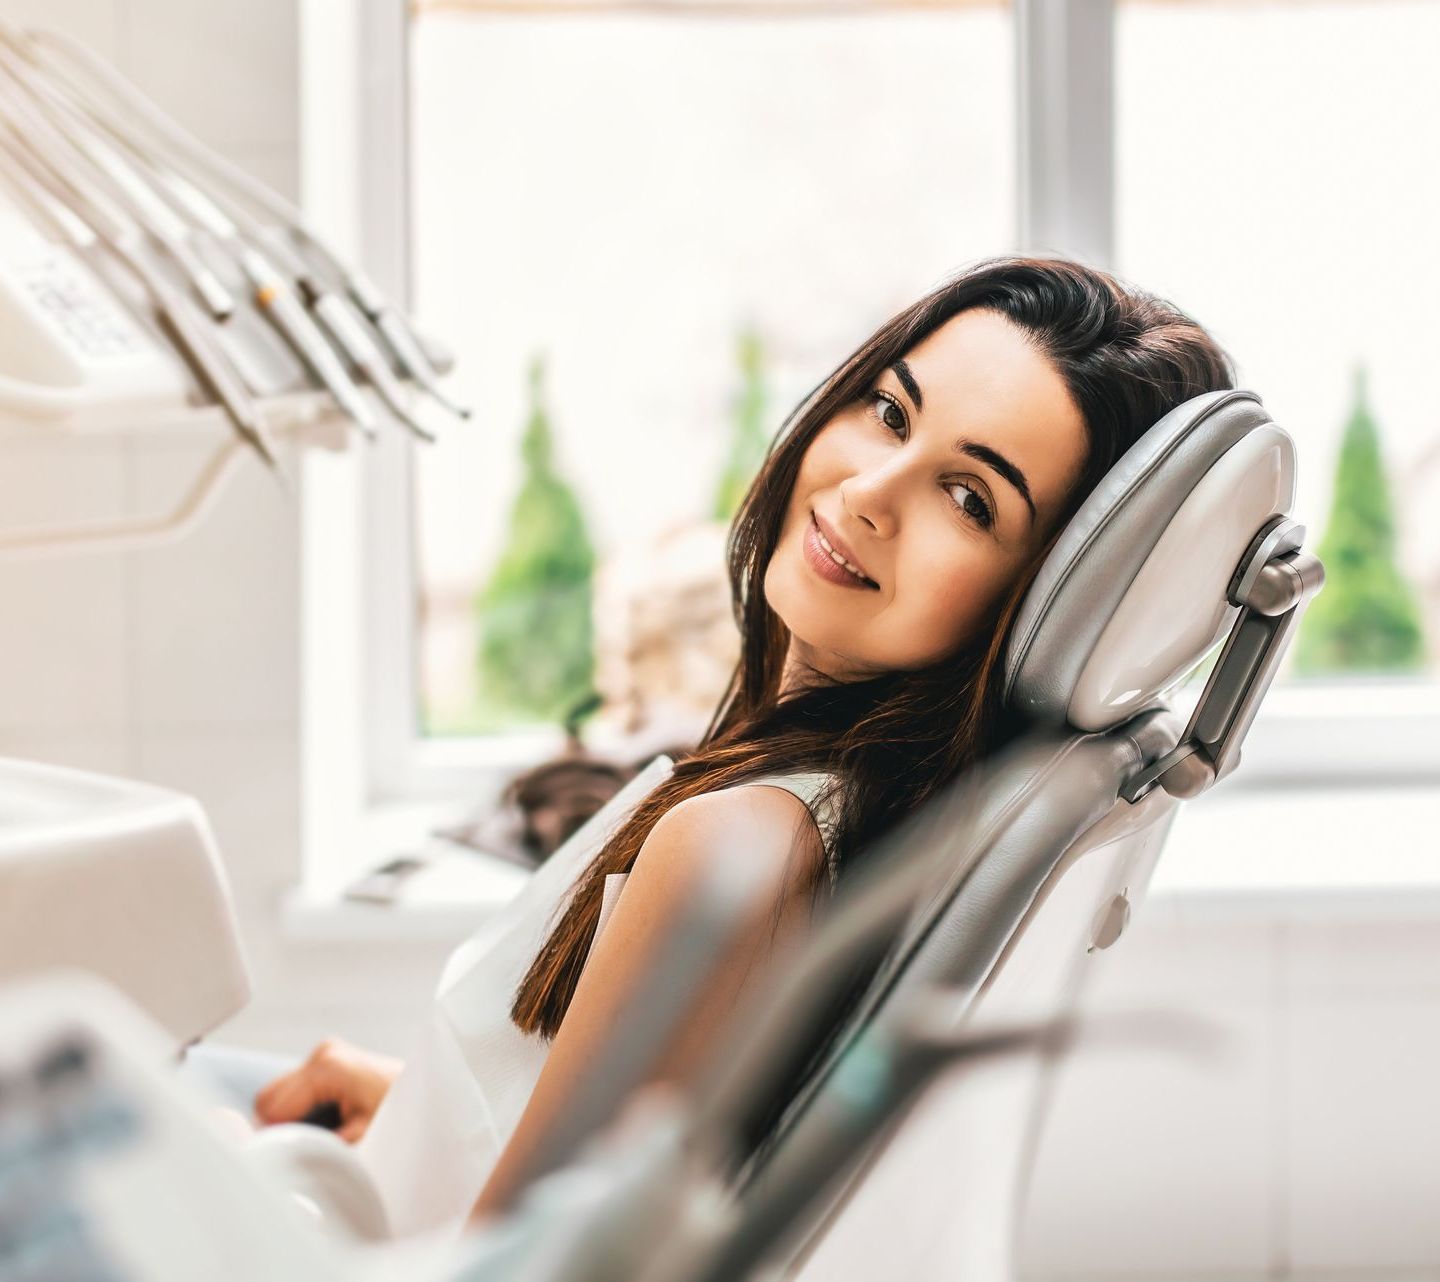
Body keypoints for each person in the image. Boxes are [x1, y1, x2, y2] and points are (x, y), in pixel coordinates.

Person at [240, 253, 1237, 1239]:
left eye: (969, 498)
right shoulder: (854, 817)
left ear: (1041, 600)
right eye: (891, 411)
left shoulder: (740, 847)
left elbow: (517, 1275)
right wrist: (418, 1115)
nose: (868, 492)